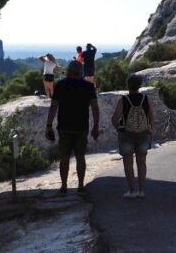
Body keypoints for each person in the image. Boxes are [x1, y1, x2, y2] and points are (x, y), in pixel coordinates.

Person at [45, 60, 99, 194]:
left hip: (64, 126)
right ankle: (80, 186)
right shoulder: (88, 86)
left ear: (69, 70)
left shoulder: (61, 85)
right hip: (81, 127)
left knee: (64, 157)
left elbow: (54, 106)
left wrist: (49, 125)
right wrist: (96, 126)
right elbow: (95, 108)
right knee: (80, 157)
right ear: (81, 71)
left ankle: (64, 187)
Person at [111, 73, 154, 199]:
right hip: (143, 134)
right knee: (142, 163)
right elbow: (151, 117)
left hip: (126, 135)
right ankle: (141, 190)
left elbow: (114, 118)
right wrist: (150, 130)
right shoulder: (146, 99)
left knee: (128, 163)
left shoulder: (123, 100)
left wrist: (119, 129)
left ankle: (132, 190)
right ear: (140, 85)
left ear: (128, 85)